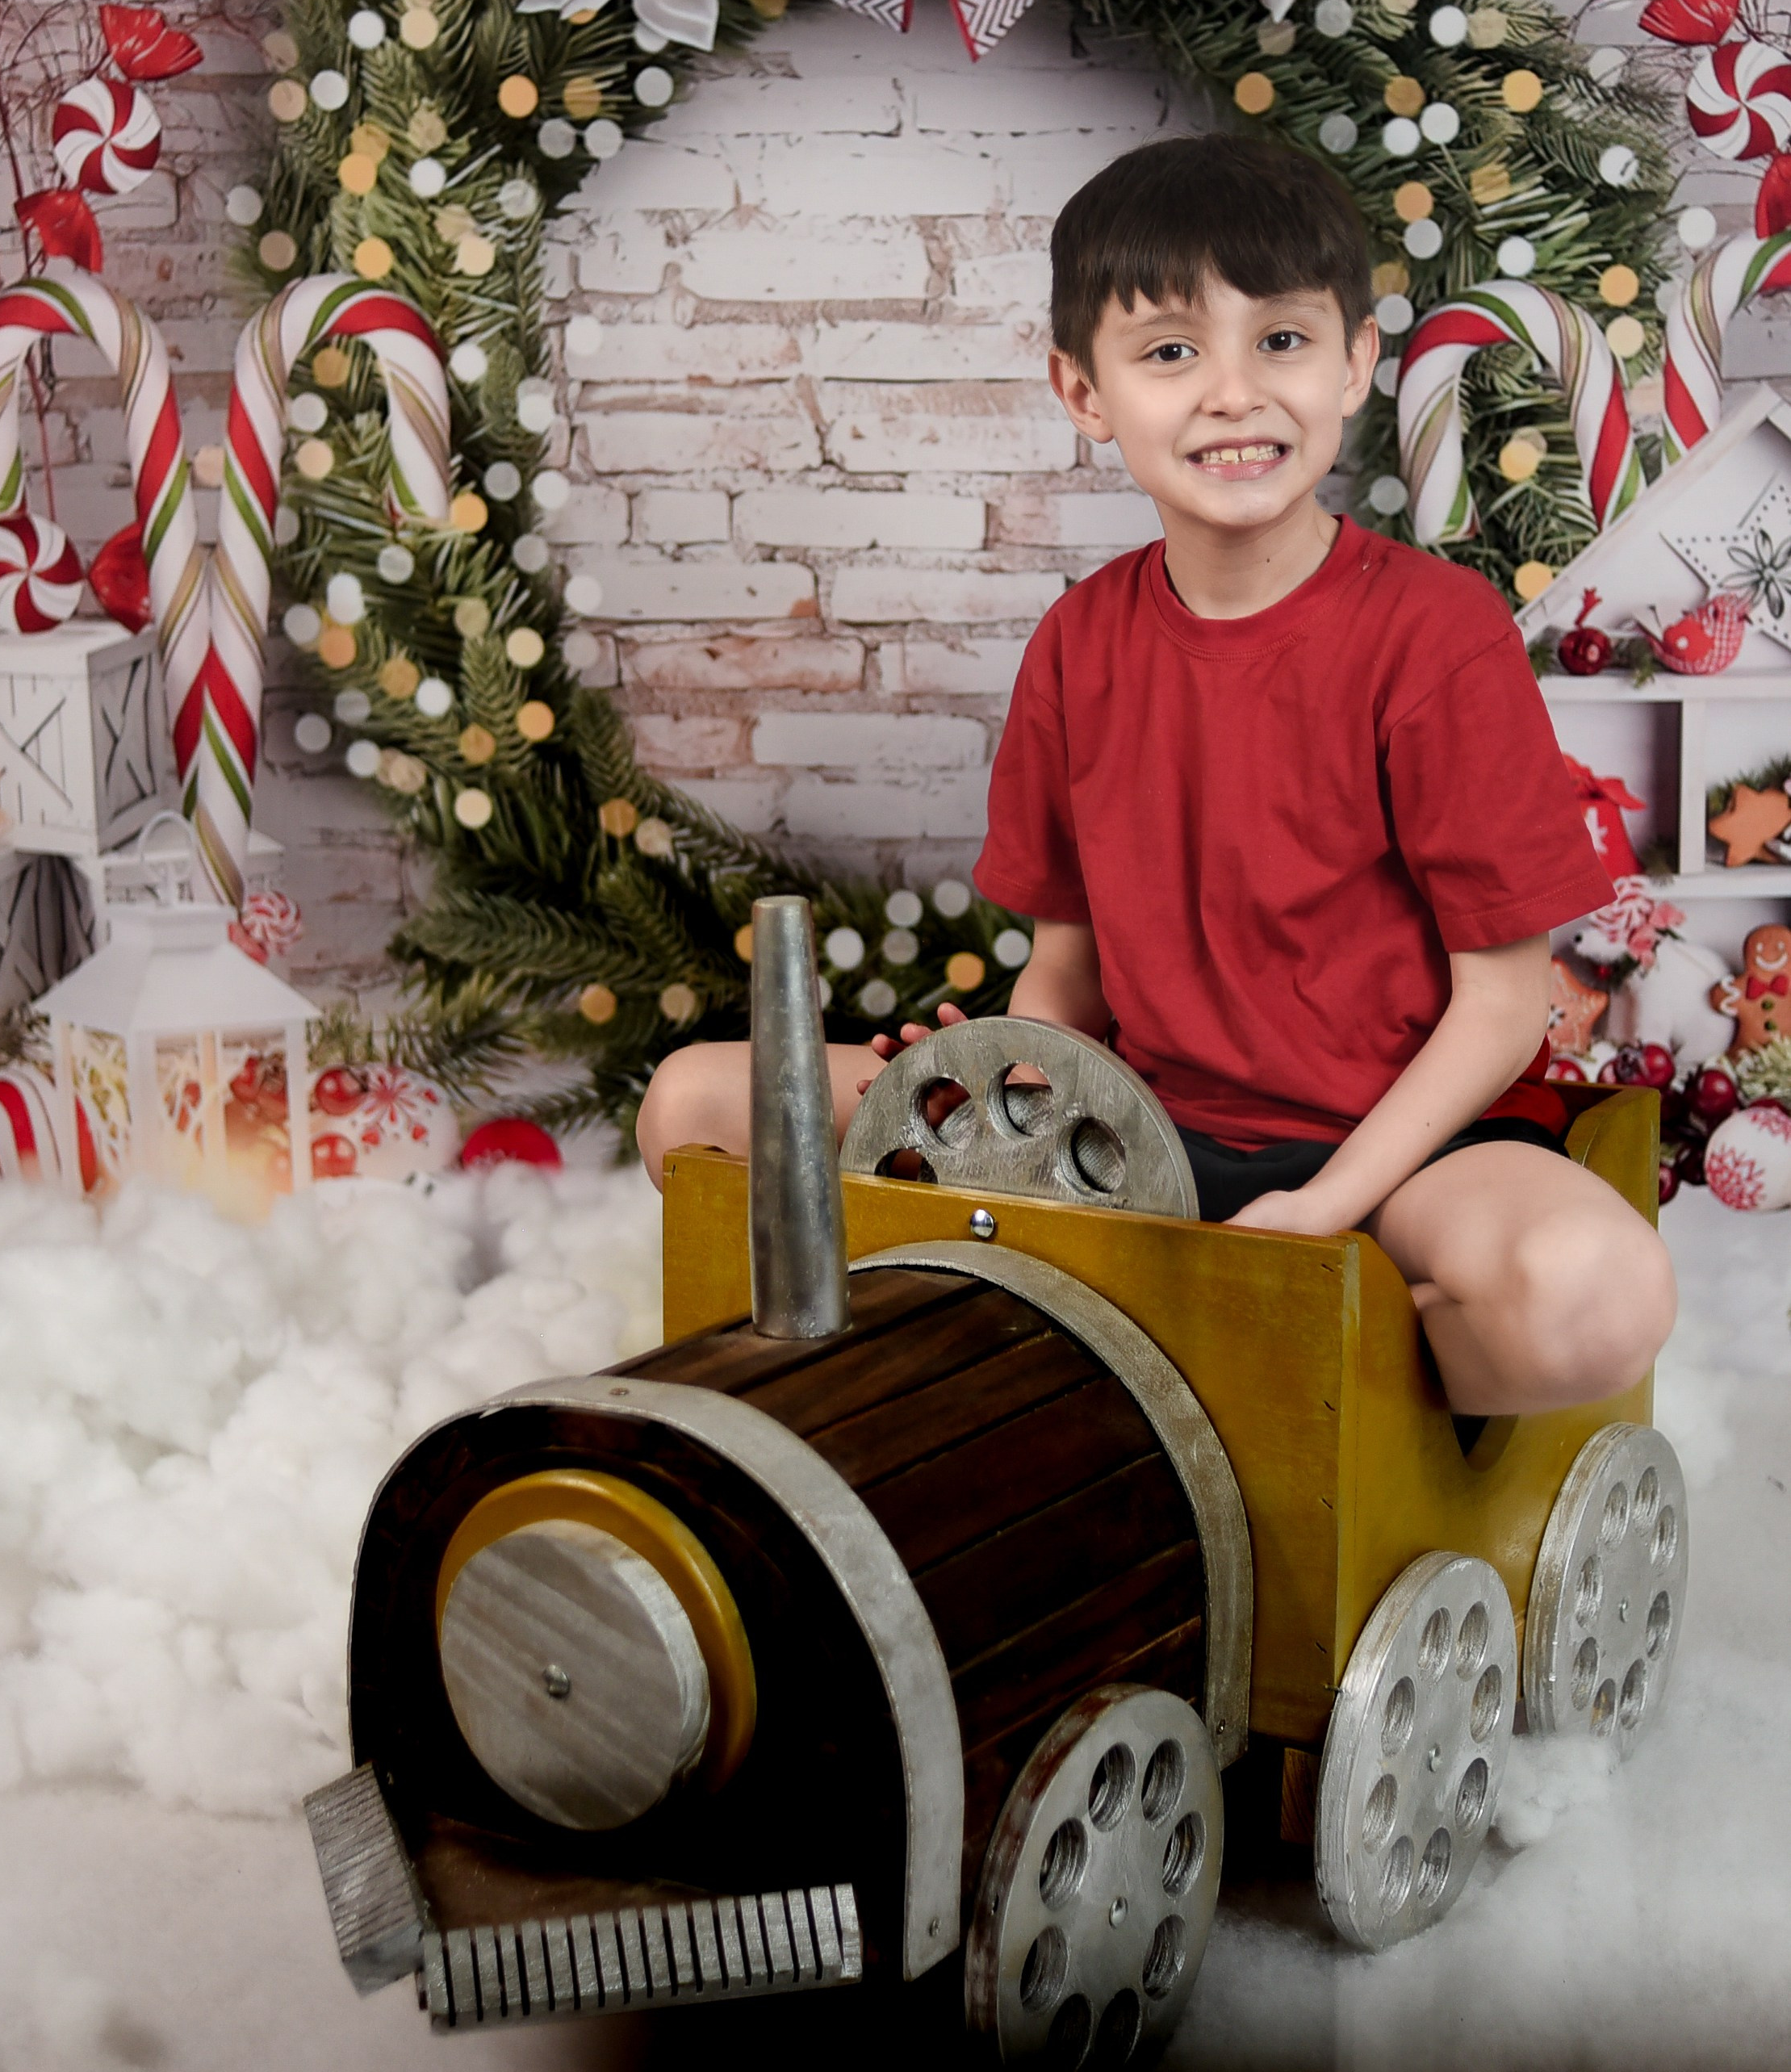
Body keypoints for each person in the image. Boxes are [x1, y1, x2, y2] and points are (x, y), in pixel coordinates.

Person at [637, 133, 1676, 1418]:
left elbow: (1504, 1005)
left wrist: (1324, 1213)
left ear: (1357, 359)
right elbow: (1065, 982)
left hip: (1405, 1158)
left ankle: (1289, 1389)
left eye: (1282, 342)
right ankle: (1111, 1346)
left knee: (1592, 1297)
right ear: (1085, 390)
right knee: (696, 1104)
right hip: (1130, 1137)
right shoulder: (1080, 644)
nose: (1234, 394)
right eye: (1173, 351)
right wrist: (998, 1095)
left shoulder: (1435, 632)